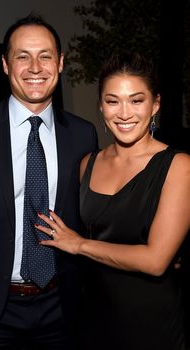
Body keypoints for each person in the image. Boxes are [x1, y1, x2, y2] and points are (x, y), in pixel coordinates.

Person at [0, 12, 98, 350]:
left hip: (61, 310)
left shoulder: (82, 135)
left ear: (60, 63)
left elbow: (95, 215)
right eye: (23, 56)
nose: (35, 67)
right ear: (6, 64)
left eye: (45, 55)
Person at [36, 52, 190, 350]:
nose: (124, 113)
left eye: (136, 100)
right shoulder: (87, 164)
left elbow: (156, 261)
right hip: (92, 318)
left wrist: (79, 244)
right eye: (112, 101)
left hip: (150, 324)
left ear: (155, 104)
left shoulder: (179, 166)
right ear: (101, 106)